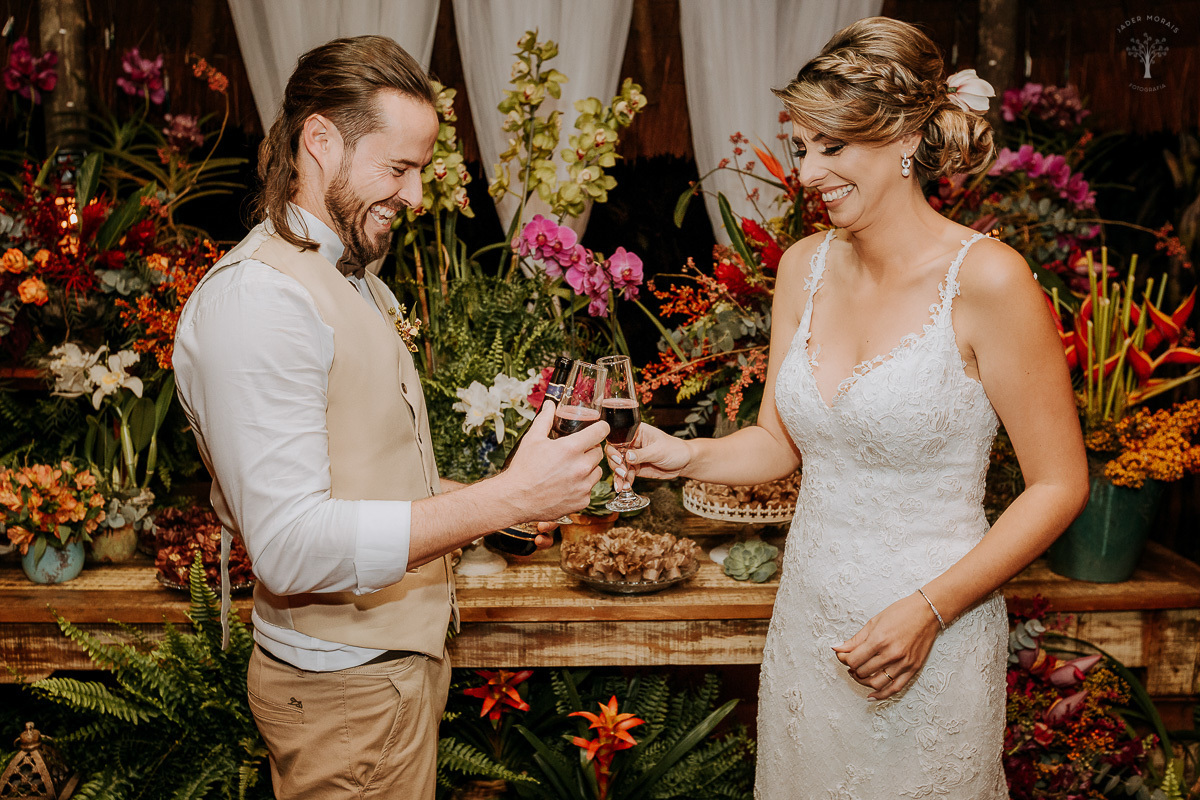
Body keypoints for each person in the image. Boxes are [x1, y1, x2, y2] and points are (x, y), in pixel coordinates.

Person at [610, 17, 1089, 799]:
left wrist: (930, 611)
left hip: (933, 631)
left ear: (905, 137)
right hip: (808, 624)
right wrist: (684, 454)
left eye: (832, 147)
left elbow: (1060, 485)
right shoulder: (804, 266)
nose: (807, 172)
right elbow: (779, 440)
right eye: (802, 147)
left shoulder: (991, 280)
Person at [173, 36, 607, 799]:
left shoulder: (360, 281)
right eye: (398, 168)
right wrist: (506, 497)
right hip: (346, 699)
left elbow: (363, 468)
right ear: (319, 140)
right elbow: (291, 548)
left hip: (384, 684)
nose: (414, 195)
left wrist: (493, 510)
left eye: (420, 171)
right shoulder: (261, 302)